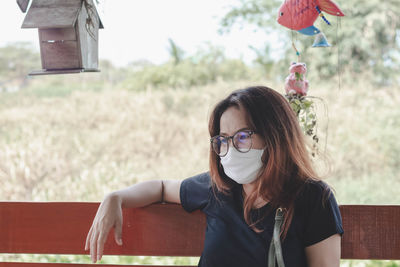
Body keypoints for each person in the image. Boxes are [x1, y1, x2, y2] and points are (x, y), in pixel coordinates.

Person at [85, 86, 344, 267]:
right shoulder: (217, 188)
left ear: (275, 135)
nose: (230, 149)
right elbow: (162, 188)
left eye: (242, 137)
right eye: (223, 140)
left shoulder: (313, 198)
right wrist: (115, 198)